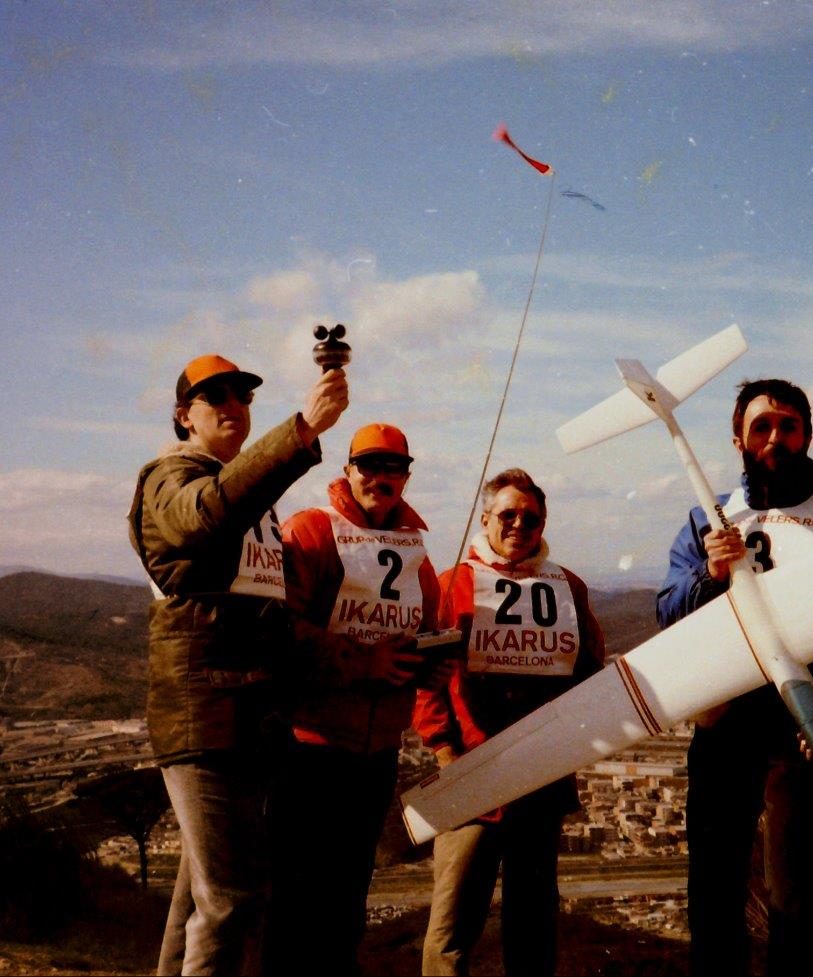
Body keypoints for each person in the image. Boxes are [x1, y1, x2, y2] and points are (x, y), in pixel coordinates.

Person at [656, 378, 813, 977]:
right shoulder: (706, 519)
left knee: (798, 895)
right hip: (723, 725)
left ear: (807, 435)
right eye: (762, 426)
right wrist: (710, 575)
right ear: (738, 440)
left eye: (788, 426)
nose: (775, 437)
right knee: (713, 889)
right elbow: (668, 611)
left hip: (800, 728)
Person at [127, 353, 348, 975]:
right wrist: (301, 430)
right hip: (205, 717)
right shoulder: (170, 477)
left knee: (201, 899)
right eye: (215, 396)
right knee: (231, 899)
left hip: (247, 719)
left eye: (243, 396)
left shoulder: (246, 497)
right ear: (183, 416)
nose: (233, 406)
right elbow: (203, 517)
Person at [413, 469, 606, 977]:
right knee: (452, 928)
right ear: (485, 520)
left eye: (531, 518)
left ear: (544, 524)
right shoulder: (454, 583)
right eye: (508, 515)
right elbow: (426, 681)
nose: (519, 525)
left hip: (541, 780)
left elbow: (590, 671)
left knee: (534, 924)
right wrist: (445, 751)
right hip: (472, 776)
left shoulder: (569, 586)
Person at [266, 423, 439, 974]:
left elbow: (424, 630)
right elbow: (276, 628)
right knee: (294, 897)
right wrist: (364, 661)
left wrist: (431, 659)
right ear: (347, 470)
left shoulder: (414, 550)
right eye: (369, 465)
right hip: (307, 746)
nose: (381, 477)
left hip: (377, 751)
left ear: (406, 476)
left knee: (347, 897)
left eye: (394, 467)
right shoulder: (310, 530)